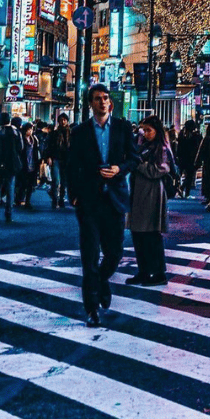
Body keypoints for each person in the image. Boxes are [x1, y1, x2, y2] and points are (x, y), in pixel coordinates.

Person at [67, 84, 140, 327]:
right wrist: (73, 194)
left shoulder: (122, 127)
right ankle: (91, 308)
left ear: (110, 102)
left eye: (105, 98)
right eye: (97, 98)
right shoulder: (80, 132)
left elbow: (134, 158)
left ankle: (101, 281)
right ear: (90, 103)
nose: (102, 102)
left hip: (115, 198)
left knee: (115, 253)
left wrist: (120, 169)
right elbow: (72, 165)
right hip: (89, 200)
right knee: (89, 256)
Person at [126, 115, 170, 287]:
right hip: (138, 191)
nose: (145, 133)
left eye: (149, 130)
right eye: (143, 129)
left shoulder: (161, 148)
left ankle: (159, 273)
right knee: (138, 233)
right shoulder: (141, 145)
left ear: (157, 131)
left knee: (151, 233)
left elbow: (159, 170)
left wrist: (139, 164)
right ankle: (144, 271)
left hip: (152, 193)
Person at [0, 112, 23, 222]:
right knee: (10, 188)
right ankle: (8, 213)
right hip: (12, 164)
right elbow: (20, 147)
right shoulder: (16, 132)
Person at [46, 113, 71, 209]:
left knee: (64, 181)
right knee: (56, 180)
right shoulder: (54, 133)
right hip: (56, 158)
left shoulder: (71, 133)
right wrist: (48, 157)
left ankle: (61, 199)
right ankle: (55, 200)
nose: (63, 121)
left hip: (66, 159)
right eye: (61, 120)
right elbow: (49, 146)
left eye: (65, 120)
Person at [15, 122, 40, 209]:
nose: (30, 131)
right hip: (23, 163)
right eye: (29, 130)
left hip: (32, 162)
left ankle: (27, 201)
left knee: (30, 184)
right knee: (23, 183)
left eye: (31, 130)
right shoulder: (21, 139)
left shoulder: (34, 139)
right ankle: (19, 199)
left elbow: (37, 151)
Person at [176, 119, 202, 198]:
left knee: (179, 175)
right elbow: (197, 147)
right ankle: (186, 191)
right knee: (189, 176)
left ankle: (179, 188)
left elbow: (179, 147)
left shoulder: (181, 134)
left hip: (182, 158)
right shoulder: (195, 136)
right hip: (191, 158)